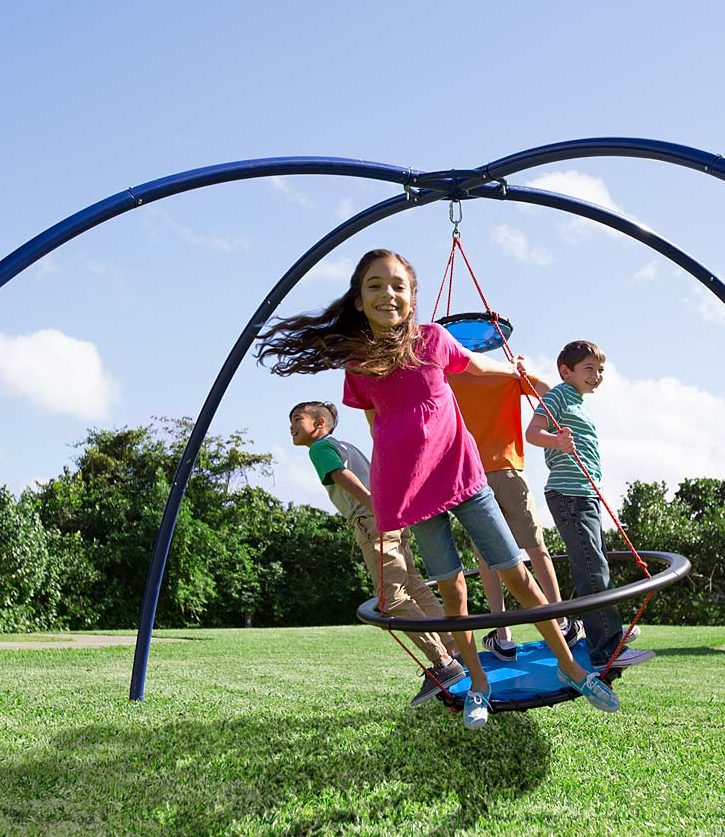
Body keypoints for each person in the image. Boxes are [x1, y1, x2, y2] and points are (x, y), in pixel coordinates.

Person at [256, 249, 620, 730]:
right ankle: (478, 687)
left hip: (465, 477)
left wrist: (515, 373)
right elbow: (377, 426)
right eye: (374, 286)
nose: (388, 293)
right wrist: (388, 491)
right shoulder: (360, 366)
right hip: (415, 493)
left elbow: (472, 365)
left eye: (397, 285)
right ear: (360, 300)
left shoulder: (433, 339)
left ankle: (572, 668)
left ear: (412, 297)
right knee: (452, 592)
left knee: (518, 576)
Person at [288, 399, 464, 707]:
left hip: (374, 521)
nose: (290, 425)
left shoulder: (320, 449)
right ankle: (453, 645)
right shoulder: (346, 445)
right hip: (393, 519)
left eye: (297, 418)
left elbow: (342, 476)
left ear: (318, 424)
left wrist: (372, 506)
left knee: (391, 598)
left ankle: (442, 663)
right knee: (415, 587)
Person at [526, 340, 655, 677]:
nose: (597, 376)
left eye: (600, 370)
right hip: (569, 495)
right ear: (566, 372)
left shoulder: (578, 402)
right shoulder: (557, 396)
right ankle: (604, 648)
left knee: (598, 565)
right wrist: (556, 441)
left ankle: (606, 630)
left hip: (586, 495)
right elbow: (533, 432)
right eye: (589, 369)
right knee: (592, 568)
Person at [446, 362, 585, 658]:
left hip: (471, 476)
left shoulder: (448, 378)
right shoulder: (505, 374)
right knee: (536, 548)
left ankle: (503, 634)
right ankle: (560, 622)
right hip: (508, 469)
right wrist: (523, 371)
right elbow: (547, 392)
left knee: (487, 556)